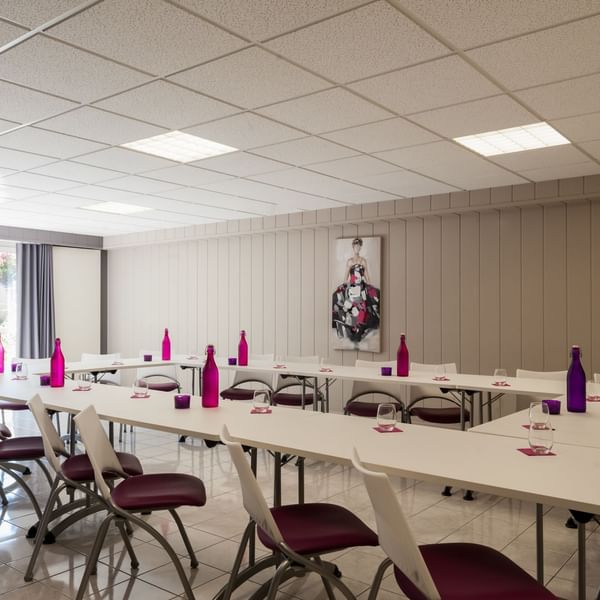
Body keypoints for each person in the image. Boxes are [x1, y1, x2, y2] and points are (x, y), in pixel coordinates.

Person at [332, 238, 380, 348]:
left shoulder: (363, 261)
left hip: (361, 285)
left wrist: (368, 285)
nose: (357, 248)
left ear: (360, 247)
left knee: (365, 303)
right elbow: (346, 278)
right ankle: (349, 327)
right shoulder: (349, 261)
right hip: (352, 286)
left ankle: (360, 328)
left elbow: (367, 277)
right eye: (355, 246)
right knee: (345, 302)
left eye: (359, 246)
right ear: (353, 248)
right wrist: (345, 286)